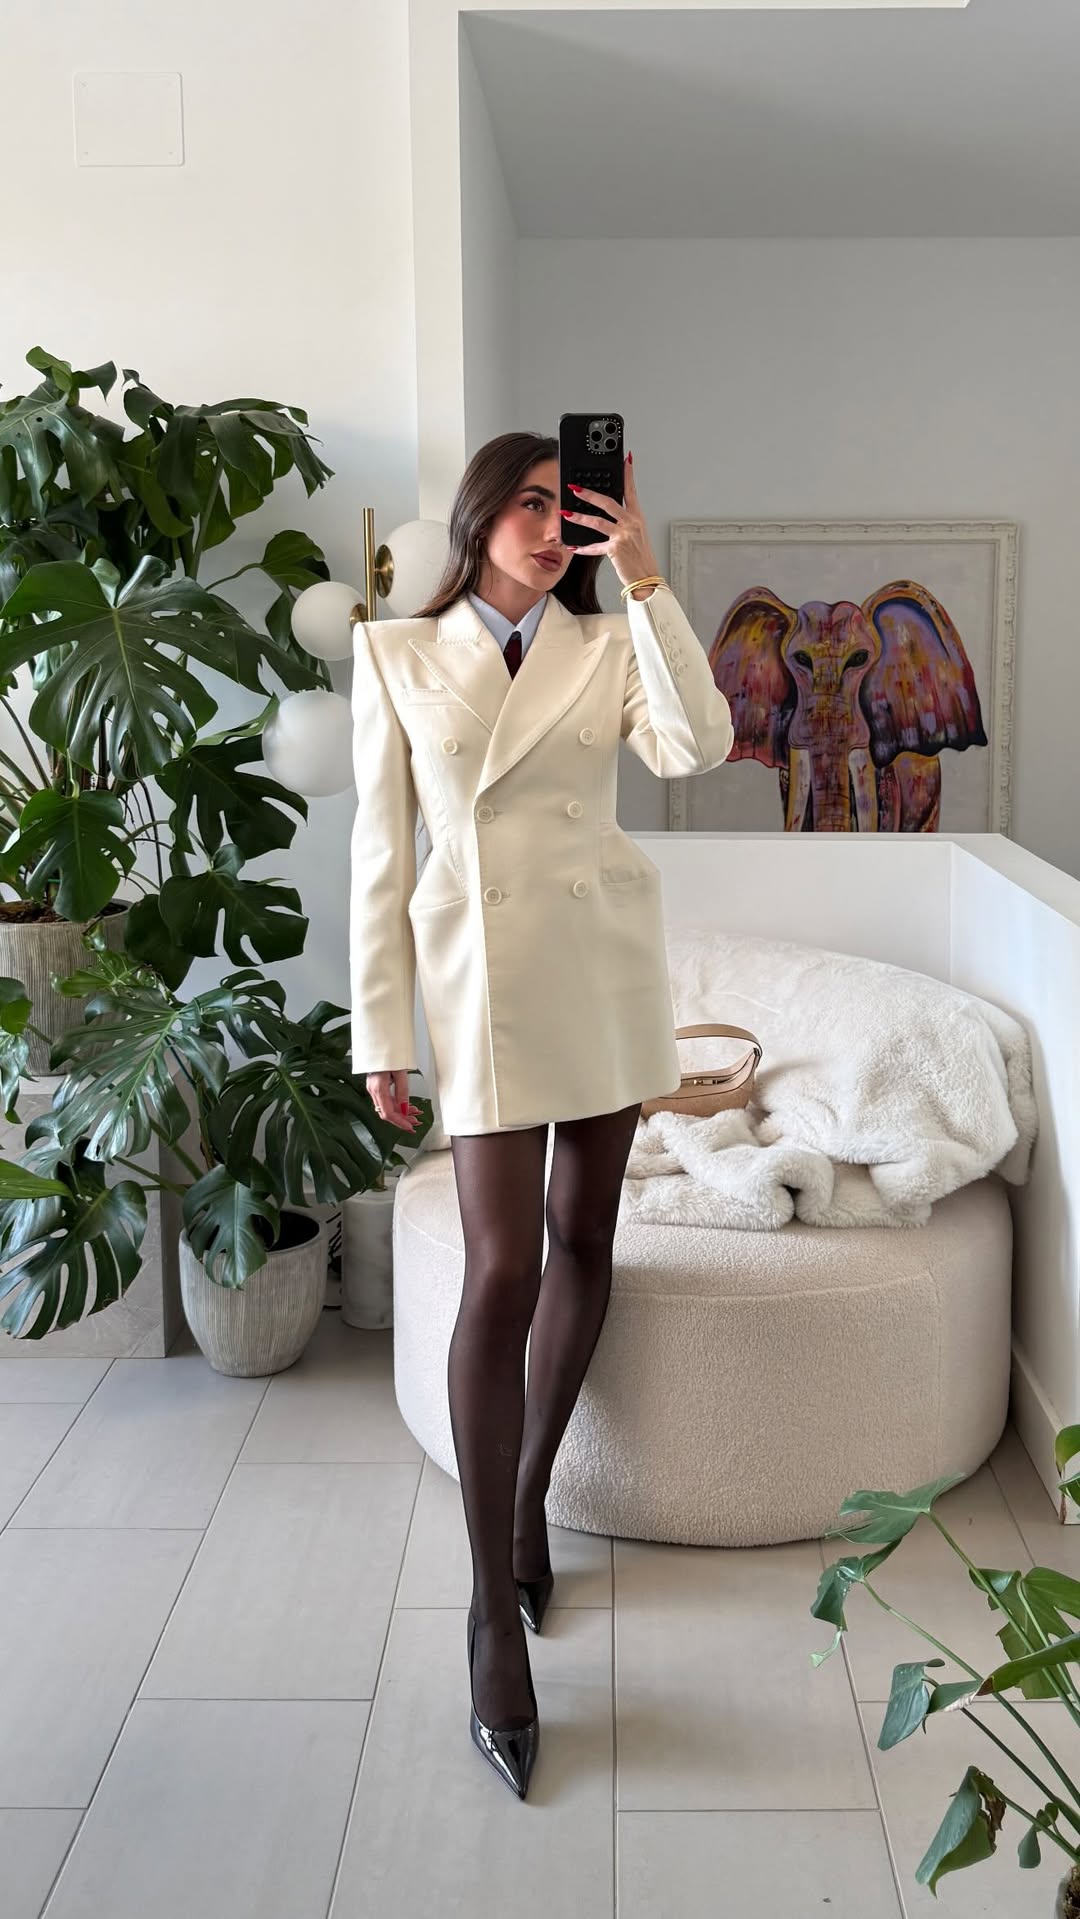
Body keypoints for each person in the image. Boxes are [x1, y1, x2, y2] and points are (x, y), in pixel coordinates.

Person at [349, 430, 734, 1800]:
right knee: (502, 1263)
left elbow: (699, 745)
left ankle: (527, 1512)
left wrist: (644, 575)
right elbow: (380, 855)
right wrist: (380, 1029)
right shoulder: (396, 654)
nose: (547, 520)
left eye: (563, 500)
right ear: (477, 519)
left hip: (605, 968)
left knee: (586, 1240)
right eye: (524, 502)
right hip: (482, 983)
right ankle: (485, 1608)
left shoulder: (607, 640)